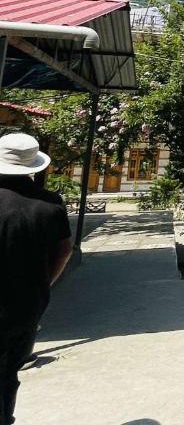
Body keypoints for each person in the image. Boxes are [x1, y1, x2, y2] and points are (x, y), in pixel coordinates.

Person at [0, 132, 71, 425]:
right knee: (8, 375)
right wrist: (45, 283)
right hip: (26, 308)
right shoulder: (51, 205)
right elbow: (65, 252)